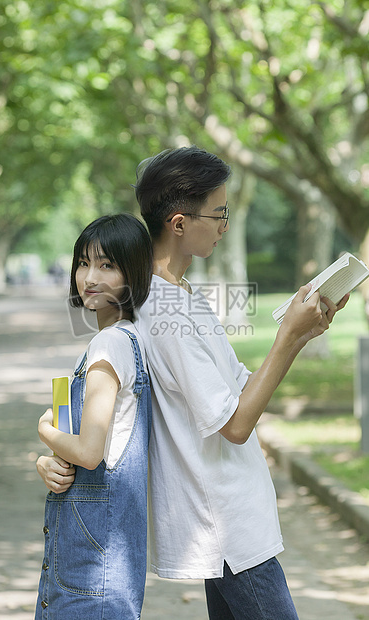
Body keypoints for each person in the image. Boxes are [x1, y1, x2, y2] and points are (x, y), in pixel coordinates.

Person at [38, 146, 348, 619]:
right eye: (219, 213)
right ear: (180, 222)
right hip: (225, 525)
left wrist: (300, 332)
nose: (224, 224)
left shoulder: (182, 296)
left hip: (232, 520)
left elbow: (243, 386)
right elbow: (235, 424)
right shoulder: (159, 310)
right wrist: (51, 444)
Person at [34, 213, 153, 620]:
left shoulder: (109, 343)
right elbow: (82, 439)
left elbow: (88, 451)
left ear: (134, 272)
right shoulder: (129, 338)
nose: (90, 276)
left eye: (107, 265)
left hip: (92, 559)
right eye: (84, 263)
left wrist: (43, 429)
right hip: (104, 553)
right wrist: (46, 461)